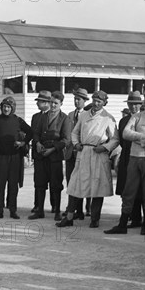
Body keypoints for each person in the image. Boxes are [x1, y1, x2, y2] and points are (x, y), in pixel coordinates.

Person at [103, 85, 145, 234]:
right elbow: (125, 133)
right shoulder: (136, 116)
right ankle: (123, 224)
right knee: (128, 192)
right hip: (134, 158)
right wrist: (144, 137)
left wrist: (138, 139)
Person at [57, 90, 118, 228]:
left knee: (98, 187)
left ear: (104, 103)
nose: (96, 103)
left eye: (99, 101)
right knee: (75, 185)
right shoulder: (84, 116)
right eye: (95, 100)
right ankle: (70, 217)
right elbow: (74, 132)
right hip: (83, 153)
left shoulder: (108, 118)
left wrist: (105, 147)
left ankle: (95, 219)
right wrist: (77, 143)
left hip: (98, 154)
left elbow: (115, 139)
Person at [0, 96, 32, 220]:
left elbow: (31, 132)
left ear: (12, 108)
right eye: (4, 107)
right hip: (0, 157)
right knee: (0, 185)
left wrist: (23, 143)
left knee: (13, 185)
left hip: (14, 157)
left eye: (8, 107)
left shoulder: (18, 120)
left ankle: (13, 210)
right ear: (1, 107)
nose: (6, 109)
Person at [29, 91, 72, 221]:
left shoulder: (65, 119)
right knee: (40, 183)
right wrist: (37, 143)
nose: (53, 105)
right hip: (41, 155)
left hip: (55, 157)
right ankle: (39, 210)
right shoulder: (42, 117)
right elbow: (35, 133)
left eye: (56, 103)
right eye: (52, 102)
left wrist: (53, 149)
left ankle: (57, 211)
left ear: (61, 104)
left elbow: (66, 139)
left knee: (56, 185)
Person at [115, 91, 144, 228]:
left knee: (141, 189)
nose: (133, 107)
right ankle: (130, 217)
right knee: (127, 188)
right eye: (131, 104)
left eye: (136, 104)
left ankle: (141, 218)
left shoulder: (144, 119)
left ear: (140, 105)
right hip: (126, 156)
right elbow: (121, 140)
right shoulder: (123, 121)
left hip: (140, 156)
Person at [65, 88, 89, 220]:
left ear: (84, 101)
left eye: (79, 99)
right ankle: (71, 209)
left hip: (82, 153)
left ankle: (79, 210)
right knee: (70, 183)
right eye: (75, 99)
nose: (76, 101)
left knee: (81, 182)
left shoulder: (87, 115)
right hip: (70, 154)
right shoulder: (69, 115)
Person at [30, 91, 52, 215]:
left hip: (51, 153)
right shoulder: (35, 117)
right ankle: (37, 205)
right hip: (38, 154)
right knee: (38, 181)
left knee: (53, 181)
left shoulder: (53, 116)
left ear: (46, 103)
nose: (37, 103)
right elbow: (34, 133)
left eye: (40, 101)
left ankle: (54, 206)